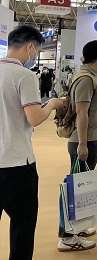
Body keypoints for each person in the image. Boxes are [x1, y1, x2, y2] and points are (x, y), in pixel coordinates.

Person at [0, 26, 65, 260]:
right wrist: (53, 104)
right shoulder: (24, 75)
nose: (35, 55)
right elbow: (35, 118)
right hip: (17, 164)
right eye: (36, 50)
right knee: (23, 227)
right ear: (29, 47)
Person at [57, 40, 97, 252]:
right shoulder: (85, 79)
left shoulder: (93, 74)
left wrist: (91, 60)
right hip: (84, 140)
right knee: (75, 188)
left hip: (92, 138)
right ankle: (66, 236)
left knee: (83, 187)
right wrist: (82, 144)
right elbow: (81, 112)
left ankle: (77, 227)